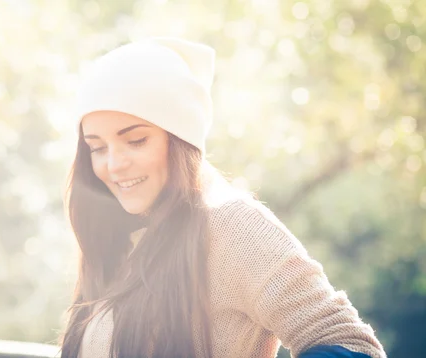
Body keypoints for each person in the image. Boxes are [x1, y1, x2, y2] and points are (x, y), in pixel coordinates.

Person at [58, 37, 386, 358]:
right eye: (97, 148)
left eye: (136, 140)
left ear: (180, 139)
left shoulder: (231, 226)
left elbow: (349, 344)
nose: (113, 164)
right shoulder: (116, 239)